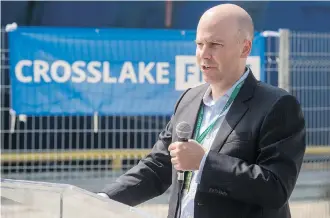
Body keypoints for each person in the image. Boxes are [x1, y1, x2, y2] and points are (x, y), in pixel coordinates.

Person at [98, 3, 306, 218]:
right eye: (199, 44)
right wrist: (104, 199)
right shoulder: (189, 99)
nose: (204, 54)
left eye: (215, 44)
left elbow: (276, 188)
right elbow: (158, 166)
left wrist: (206, 164)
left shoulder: (277, 105)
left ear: (245, 48)